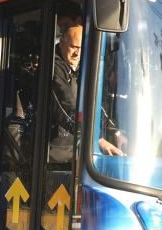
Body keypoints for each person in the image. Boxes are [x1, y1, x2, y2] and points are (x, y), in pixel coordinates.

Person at [50, 24, 123, 162]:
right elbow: (67, 106)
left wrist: (115, 132)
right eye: (74, 47)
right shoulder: (53, 67)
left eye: (82, 48)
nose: (78, 53)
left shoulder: (79, 68)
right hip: (53, 156)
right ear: (62, 42)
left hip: (73, 151)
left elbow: (95, 102)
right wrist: (96, 140)